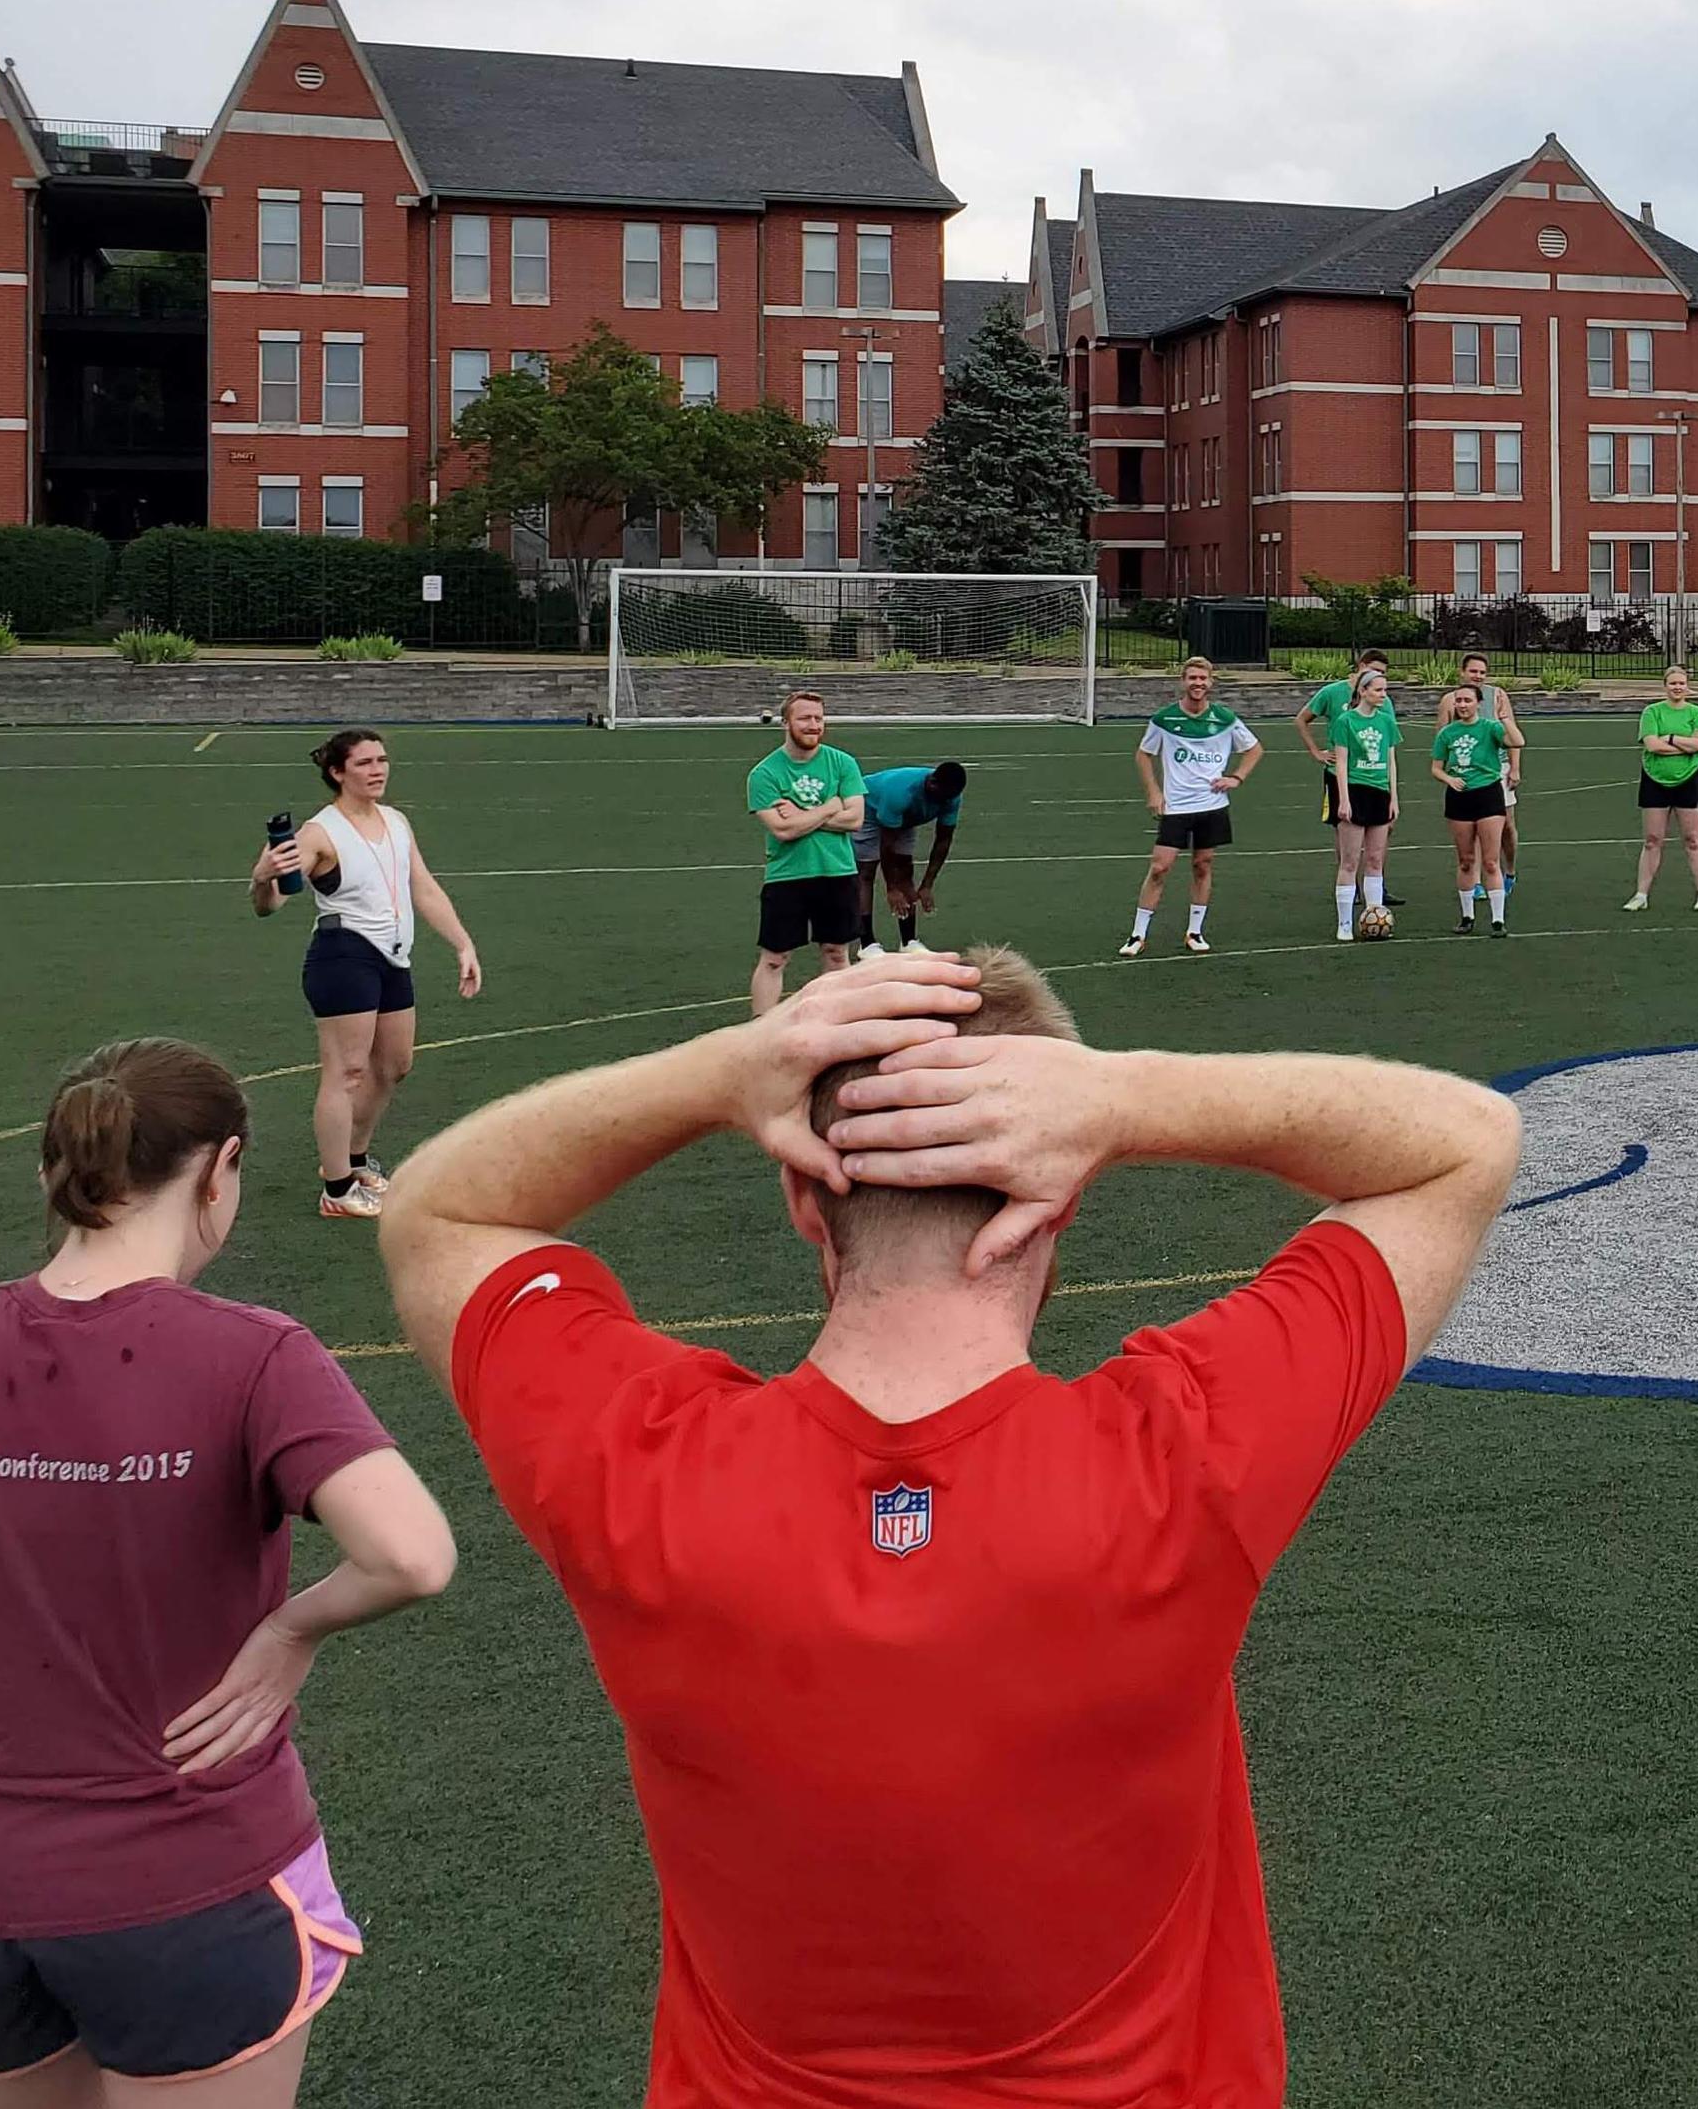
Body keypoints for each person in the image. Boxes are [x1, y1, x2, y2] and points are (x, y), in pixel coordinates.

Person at [375, 950, 1519, 2106]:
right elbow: (1463, 1143)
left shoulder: (640, 1469)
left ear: (800, 1195)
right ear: (1061, 1192)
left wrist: (723, 1074)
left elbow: (437, 1211)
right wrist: (1126, 1098)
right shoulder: (1182, 1460)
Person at [0, 1040, 456, 2107]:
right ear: (220, 1173)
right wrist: (289, 1632)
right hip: (185, 1881)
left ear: (52, 1172)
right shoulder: (252, 1355)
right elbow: (412, 1553)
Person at [247, 729, 482, 1221]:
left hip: (393, 957)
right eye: (364, 763)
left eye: (382, 760)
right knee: (346, 1071)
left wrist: (462, 942)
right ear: (338, 772)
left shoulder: (396, 822)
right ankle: (336, 1190)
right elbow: (270, 906)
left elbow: (424, 887)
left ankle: (354, 1160)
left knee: (394, 1065)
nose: (378, 770)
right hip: (343, 954)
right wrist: (262, 877)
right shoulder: (318, 834)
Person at [1126, 661, 1262, 958]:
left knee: (1203, 865)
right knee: (1160, 867)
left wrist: (1236, 777)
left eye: (1203, 678)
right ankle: (1138, 934)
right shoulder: (1165, 718)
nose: (1197, 683)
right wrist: (1153, 792)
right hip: (1176, 806)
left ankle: (1195, 931)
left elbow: (1254, 749)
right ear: (1183, 682)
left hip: (1212, 805)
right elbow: (1143, 754)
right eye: (1192, 678)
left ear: (1211, 683)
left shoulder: (1225, 718)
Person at [746, 689, 863, 1014]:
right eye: (805, 718)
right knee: (774, 959)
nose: (813, 725)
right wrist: (829, 807)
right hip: (787, 874)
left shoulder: (843, 763)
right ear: (786, 723)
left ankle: (834, 1022)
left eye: (818, 718)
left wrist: (801, 815)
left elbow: (855, 819)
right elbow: (784, 830)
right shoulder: (764, 774)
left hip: (837, 872)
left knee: (837, 953)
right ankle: (761, 1031)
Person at [852, 761, 968, 951]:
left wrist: (928, 884)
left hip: (905, 817)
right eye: (942, 797)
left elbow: (943, 840)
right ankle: (867, 944)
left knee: (905, 869)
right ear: (932, 784)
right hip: (868, 809)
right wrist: (891, 889)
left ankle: (908, 941)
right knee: (866, 872)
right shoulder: (901, 793)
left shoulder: (951, 796)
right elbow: (887, 845)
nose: (945, 802)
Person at [1625, 666, 1698, 913]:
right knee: (1652, 840)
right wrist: (1685, 745)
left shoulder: (1697, 713)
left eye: (1681, 683)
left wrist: (1672, 738)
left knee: (1692, 839)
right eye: (1673, 683)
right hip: (1655, 779)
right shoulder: (1652, 712)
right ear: (1665, 686)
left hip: (1689, 780)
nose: (1677, 687)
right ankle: (1641, 894)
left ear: (1687, 686)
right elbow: (1652, 745)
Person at [1323, 665, 1401, 942]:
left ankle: (1373, 914)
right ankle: (1344, 923)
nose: (1383, 695)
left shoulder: (1387, 721)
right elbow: (1341, 762)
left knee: (1375, 859)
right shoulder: (1345, 721)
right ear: (1363, 691)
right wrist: (1343, 799)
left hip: (1380, 792)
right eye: (1378, 690)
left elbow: (1391, 760)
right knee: (1349, 861)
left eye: (1385, 690)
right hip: (1355, 791)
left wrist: (1394, 797)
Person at [1431, 685, 1513, 936]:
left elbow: (1518, 741)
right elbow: (1436, 767)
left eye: (1467, 700)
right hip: (1459, 797)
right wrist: (1449, 779)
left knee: (1490, 860)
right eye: (1459, 701)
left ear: (1478, 703)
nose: (1462, 705)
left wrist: (1503, 717)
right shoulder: (1447, 733)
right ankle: (1467, 916)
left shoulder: (1491, 728)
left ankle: (1498, 919)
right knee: (1466, 860)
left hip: (1488, 795)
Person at [1295, 649, 1387, 830]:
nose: (1379, 676)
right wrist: (1316, 752)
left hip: (1373, 773)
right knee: (1343, 825)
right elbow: (1301, 719)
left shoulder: (1383, 699)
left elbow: (1387, 736)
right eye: (1375, 670)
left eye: (1383, 673)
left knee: (1380, 829)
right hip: (1340, 772)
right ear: (1362, 666)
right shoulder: (1332, 692)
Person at [1458, 652, 1527, 891]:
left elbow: (1511, 732)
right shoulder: (1453, 700)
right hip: (1469, 772)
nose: (1477, 676)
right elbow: (1443, 735)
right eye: (1473, 671)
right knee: (1474, 826)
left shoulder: (1497, 695)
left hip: (1498, 768)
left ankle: (1510, 871)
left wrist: (1515, 767)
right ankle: (1476, 881)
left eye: (1482, 672)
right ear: (1462, 672)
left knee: (1506, 825)